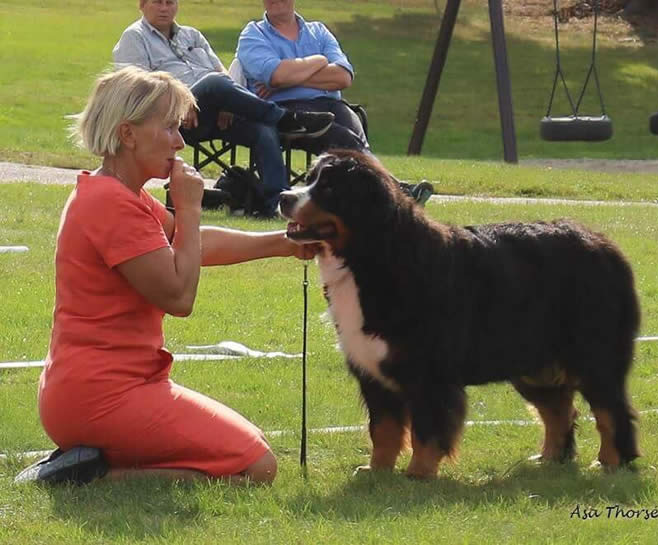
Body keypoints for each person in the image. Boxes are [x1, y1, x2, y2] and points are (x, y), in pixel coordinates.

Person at [17, 67, 317, 486]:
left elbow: (190, 244)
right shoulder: (111, 204)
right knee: (256, 467)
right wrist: (190, 207)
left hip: (104, 389)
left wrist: (282, 244)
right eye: (171, 128)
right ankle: (92, 478)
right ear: (128, 134)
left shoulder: (121, 194)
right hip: (102, 396)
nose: (180, 142)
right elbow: (178, 297)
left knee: (250, 450)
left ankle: (88, 464)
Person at [113, 0, 335, 217]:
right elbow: (137, 90)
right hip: (171, 119)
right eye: (157, 2)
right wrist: (182, 99)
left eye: (169, 3)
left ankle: (275, 204)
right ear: (142, 5)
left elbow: (222, 73)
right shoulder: (134, 37)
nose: (164, 8)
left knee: (262, 128)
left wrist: (228, 103)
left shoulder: (191, 35)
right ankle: (287, 119)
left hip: (213, 112)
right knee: (213, 83)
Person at [236, 0, 433, 205]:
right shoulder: (253, 34)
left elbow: (343, 77)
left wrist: (287, 80)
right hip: (287, 113)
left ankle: (380, 195)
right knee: (344, 139)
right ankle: (396, 193)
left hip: (331, 104)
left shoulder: (318, 31)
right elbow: (276, 75)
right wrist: (319, 61)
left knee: (355, 135)